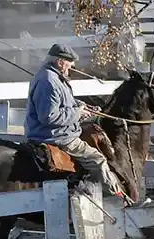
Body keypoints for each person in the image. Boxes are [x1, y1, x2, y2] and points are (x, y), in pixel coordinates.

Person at [24, 44, 128, 200]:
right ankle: (117, 199)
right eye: (70, 62)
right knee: (97, 159)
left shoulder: (54, 77)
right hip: (54, 135)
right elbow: (48, 117)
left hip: (58, 131)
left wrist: (82, 106)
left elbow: (65, 102)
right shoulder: (48, 81)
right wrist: (77, 113)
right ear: (60, 62)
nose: (72, 66)